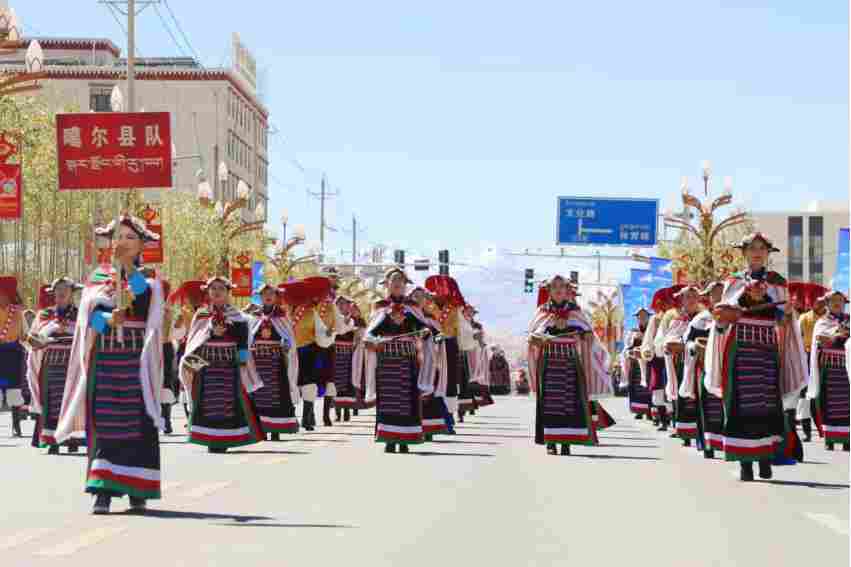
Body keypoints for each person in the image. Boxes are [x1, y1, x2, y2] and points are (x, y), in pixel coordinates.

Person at [55, 215, 166, 514]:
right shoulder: (99, 279)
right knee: (106, 423)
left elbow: (143, 299)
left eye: (131, 237)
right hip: (106, 361)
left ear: (142, 244)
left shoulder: (149, 277)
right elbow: (87, 322)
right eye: (119, 236)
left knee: (138, 424)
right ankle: (102, 490)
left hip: (136, 363)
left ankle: (137, 489)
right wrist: (107, 320)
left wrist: (128, 269)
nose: (124, 242)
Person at [707, 233, 807, 482]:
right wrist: (738, 304)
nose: (757, 252)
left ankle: (765, 458)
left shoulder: (778, 282)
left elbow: (784, 320)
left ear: (768, 253)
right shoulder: (733, 281)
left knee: (766, 404)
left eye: (762, 248)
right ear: (744, 252)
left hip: (766, 351)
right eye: (752, 248)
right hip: (739, 351)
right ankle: (744, 463)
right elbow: (722, 319)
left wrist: (781, 310)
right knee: (740, 403)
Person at [528, 276, 611, 456]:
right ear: (549, 291)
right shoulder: (542, 311)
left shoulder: (576, 311)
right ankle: (551, 441)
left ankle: (566, 442)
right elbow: (532, 335)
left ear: (568, 291)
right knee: (550, 402)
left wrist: (581, 332)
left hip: (570, 362)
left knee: (570, 401)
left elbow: (589, 335)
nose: (558, 290)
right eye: (554, 287)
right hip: (549, 362)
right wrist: (542, 335)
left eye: (562, 287)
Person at [180, 276, 264, 453]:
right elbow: (195, 340)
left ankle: (227, 437)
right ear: (208, 292)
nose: (217, 292)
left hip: (229, 366)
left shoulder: (238, 316)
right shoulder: (201, 315)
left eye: (221, 289)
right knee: (207, 401)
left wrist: (242, 360)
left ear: (227, 293)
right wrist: (211, 331)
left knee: (228, 403)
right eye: (213, 288)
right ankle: (210, 438)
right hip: (206, 365)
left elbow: (242, 342)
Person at [363, 268, 431, 453]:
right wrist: (374, 340)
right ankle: (389, 439)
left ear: (405, 286)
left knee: (407, 399)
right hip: (386, 362)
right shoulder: (380, 306)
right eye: (393, 282)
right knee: (388, 400)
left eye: (400, 282)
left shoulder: (413, 307)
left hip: (407, 361)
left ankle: (406, 440)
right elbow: (370, 333)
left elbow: (424, 330)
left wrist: (425, 333)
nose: (397, 285)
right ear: (387, 285)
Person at [25, 277, 84, 454]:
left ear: (71, 293)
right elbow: (32, 338)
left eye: (64, 289)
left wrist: (69, 330)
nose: (61, 292)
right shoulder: (45, 315)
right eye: (58, 290)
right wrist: (48, 333)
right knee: (52, 401)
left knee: (73, 400)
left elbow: (89, 334)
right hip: (51, 362)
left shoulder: (81, 314)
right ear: (54, 294)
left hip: (73, 363)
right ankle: (53, 440)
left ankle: (72, 438)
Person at [678, 281, 725, 458]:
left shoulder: (733, 314)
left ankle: (727, 441)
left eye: (721, 292)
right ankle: (707, 444)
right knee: (705, 405)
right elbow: (686, 342)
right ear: (708, 298)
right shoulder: (701, 319)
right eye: (714, 294)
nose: (718, 296)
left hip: (727, 366)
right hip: (704, 366)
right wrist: (694, 347)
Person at [284, 276, 336, 431]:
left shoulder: (311, 313)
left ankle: (307, 415)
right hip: (287, 352)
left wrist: (327, 334)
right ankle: (291, 415)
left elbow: (321, 332)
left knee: (308, 384)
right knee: (288, 382)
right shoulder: (283, 313)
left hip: (308, 351)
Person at [248, 284, 300, 439]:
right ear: (260, 296)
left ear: (276, 296)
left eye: (271, 293)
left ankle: (276, 429)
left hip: (275, 362)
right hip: (257, 362)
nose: (268, 296)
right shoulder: (254, 315)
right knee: (258, 394)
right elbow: (248, 336)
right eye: (264, 294)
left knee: (276, 395)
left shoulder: (282, 316)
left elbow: (289, 337)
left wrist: (286, 344)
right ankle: (261, 428)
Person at [808, 291, 850, 451]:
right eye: (833, 300)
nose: (837, 303)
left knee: (847, 402)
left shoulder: (849, 320)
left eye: (840, 300)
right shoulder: (822, 321)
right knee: (828, 400)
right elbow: (820, 340)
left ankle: (847, 439)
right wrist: (836, 335)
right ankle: (830, 438)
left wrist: (843, 335)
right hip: (829, 366)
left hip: (847, 365)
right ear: (827, 304)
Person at [662, 286, 703, 447]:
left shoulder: (705, 317)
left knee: (700, 398)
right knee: (684, 397)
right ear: (682, 300)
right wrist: (670, 346)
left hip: (700, 361)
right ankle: (686, 433)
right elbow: (666, 340)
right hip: (682, 362)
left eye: (694, 296)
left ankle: (703, 433)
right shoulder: (677, 320)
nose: (691, 300)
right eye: (688, 297)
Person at [407, 286, 448, 438]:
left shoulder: (430, 319)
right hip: (410, 358)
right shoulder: (406, 315)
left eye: (421, 296)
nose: (418, 299)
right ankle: (413, 428)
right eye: (415, 296)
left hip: (429, 361)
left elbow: (439, 336)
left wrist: (434, 338)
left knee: (428, 394)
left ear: (426, 300)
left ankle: (429, 429)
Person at [169, 280, 206, 423]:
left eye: (197, 296)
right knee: (187, 384)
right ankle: (190, 417)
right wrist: (178, 325)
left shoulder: (207, 311)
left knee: (200, 383)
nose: (193, 298)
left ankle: (197, 416)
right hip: (188, 352)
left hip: (203, 352)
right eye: (191, 296)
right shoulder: (184, 313)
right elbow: (175, 335)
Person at [641, 288, 678, 431]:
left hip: (674, 356)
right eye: (666, 302)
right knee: (658, 388)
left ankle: (675, 421)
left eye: (671, 301)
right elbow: (649, 337)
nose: (668, 304)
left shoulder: (678, 316)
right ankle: (663, 421)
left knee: (674, 386)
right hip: (658, 359)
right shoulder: (655, 319)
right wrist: (648, 350)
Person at [797, 292, 827, 442]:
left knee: (823, 393)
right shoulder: (804, 318)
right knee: (805, 395)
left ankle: (825, 430)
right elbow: (797, 338)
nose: (822, 305)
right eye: (819, 302)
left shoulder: (829, 319)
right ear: (813, 303)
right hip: (806, 356)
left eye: (824, 302)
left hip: (824, 357)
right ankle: (807, 431)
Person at [332, 295, 366, 422]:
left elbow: (361, 335)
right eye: (339, 304)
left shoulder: (356, 320)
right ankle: (337, 411)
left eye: (344, 303)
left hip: (350, 354)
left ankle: (347, 410)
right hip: (335, 354)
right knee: (336, 382)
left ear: (348, 305)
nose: (341, 306)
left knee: (348, 382)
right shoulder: (333, 319)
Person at [0, 276, 25, 437]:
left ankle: (16, 424)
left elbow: (24, 334)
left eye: (4, 293)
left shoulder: (18, 313)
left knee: (14, 389)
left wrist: (35, 341)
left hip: (14, 354)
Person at [620, 308, 652, 419]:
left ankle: (649, 411)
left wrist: (645, 338)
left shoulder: (652, 330)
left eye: (644, 316)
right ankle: (638, 410)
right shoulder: (633, 331)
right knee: (636, 387)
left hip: (648, 361)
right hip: (635, 363)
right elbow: (627, 346)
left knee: (648, 386)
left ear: (648, 317)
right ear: (637, 318)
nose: (642, 318)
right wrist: (634, 339)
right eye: (640, 316)